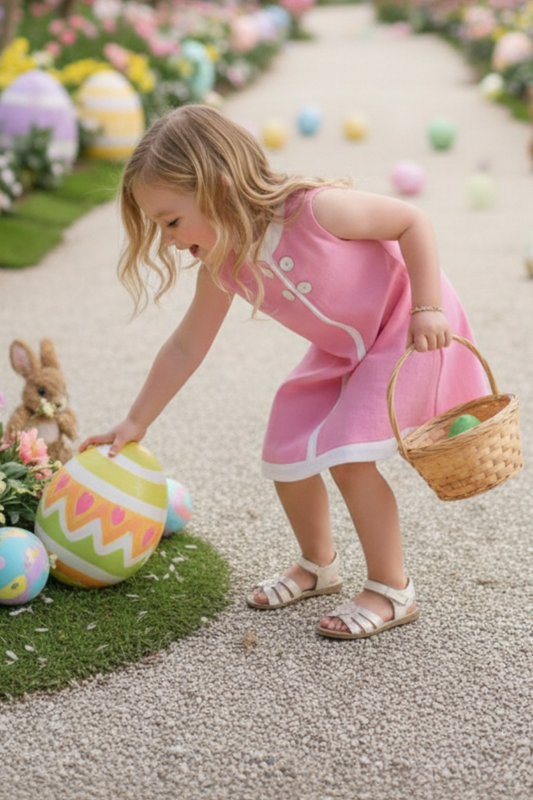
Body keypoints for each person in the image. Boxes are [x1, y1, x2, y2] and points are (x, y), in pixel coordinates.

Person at [80, 104, 488, 640]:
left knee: (347, 454)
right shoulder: (222, 263)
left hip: (403, 326)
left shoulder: (314, 211)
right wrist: (137, 421)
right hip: (345, 349)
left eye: (172, 221)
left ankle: (393, 588)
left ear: (220, 188)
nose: (170, 241)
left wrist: (427, 307)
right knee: (287, 445)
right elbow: (186, 345)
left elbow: (413, 221)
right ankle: (319, 565)